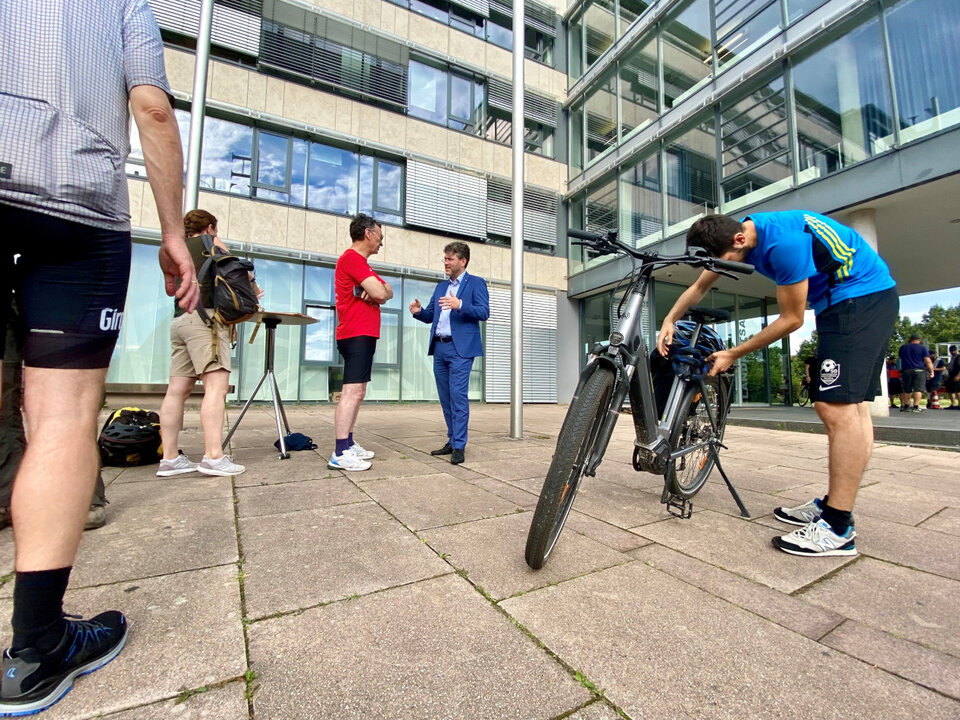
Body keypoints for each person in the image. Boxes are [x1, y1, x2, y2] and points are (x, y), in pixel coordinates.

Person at [0, 1, 199, 714]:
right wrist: (174, 232)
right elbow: (150, 107)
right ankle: (36, 651)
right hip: (77, 207)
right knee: (61, 423)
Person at [657, 211, 897, 558]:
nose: (721, 268)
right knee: (853, 407)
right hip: (845, 301)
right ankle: (833, 506)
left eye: (724, 262)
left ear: (739, 241)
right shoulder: (735, 234)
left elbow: (791, 319)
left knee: (836, 406)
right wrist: (668, 319)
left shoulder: (784, 244)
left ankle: (837, 527)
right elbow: (699, 286)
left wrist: (733, 353)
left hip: (859, 299)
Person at [0, 300, 107, 531]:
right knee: (3, 402)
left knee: (70, 396)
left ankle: (82, 495)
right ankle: (7, 497)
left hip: (58, 282)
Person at [158, 210, 246, 478]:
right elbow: (235, 275)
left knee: (176, 390)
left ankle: (170, 458)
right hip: (205, 318)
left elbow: (171, 290)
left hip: (180, 321)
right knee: (216, 388)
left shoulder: (175, 250)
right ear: (210, 227)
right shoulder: (213, 244)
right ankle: (213, 456)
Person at [409, 242, 490, 465]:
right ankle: (452, 439)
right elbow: (431, 316)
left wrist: (460, 304)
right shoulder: (440, 287)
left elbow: (484, 312)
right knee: (446, 398)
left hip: (461, 348)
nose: (445, 262)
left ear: (462, 261)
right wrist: (418, 312)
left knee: (458, 397)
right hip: (440, 347)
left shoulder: (476, 283)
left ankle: (459, 446)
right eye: (444, 258)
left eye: (450, 259)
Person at [328, 214, 393, 472]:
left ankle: (349, 442)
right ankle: (340, 452)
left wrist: (381, 290)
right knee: (351, 392)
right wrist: (379, 291)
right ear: (368, 233)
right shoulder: (352, 259)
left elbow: (387, 290)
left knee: (359, 392)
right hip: (355, 333)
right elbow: (380, 292)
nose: (381, 242)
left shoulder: (362, 265)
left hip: (362, 334)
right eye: (380, 236)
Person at [898, 335, 934, 412]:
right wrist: (932, 371)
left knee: (907, 389)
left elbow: (900, 358)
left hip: (906, 370)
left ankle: (906, 406)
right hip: (919, 370)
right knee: (918, 389)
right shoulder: (922, 348)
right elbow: (928, 361)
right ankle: (916, 407)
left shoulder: (903, 347)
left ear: (910, 339)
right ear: (919, 340)